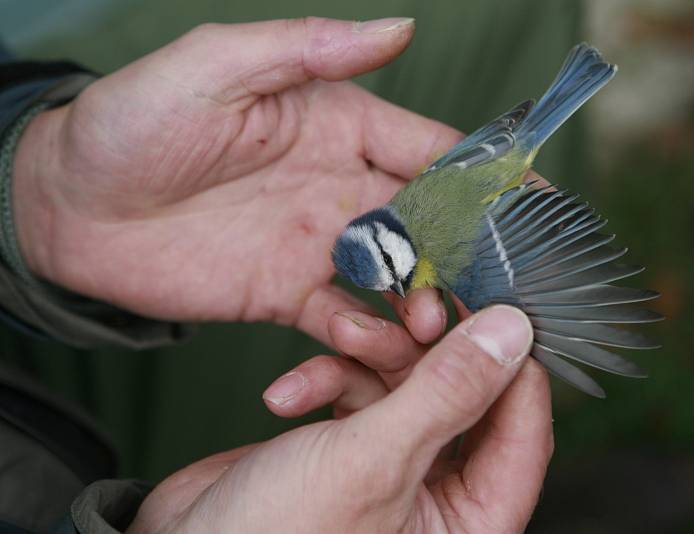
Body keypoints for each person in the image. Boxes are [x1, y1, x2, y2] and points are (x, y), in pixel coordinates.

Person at [0, 17, 552, 533]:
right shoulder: (417, 242)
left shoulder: (424, 245)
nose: (395, 287)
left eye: (390, 273)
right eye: (387, 277)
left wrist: (35, 179)